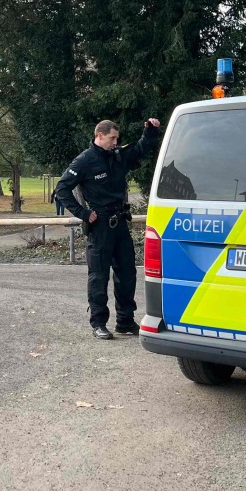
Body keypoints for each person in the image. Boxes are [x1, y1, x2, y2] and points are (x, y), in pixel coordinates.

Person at [55, 118, 162, 340]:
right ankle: (99, 323)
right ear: (100, 136)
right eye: (112, 138)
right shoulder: (84, 161)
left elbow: (140, 149)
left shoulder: (118, 156)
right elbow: (62, 189)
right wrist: (83, 213)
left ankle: (124, 321)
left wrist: (150, 132)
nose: (116, 142)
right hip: (100, 226)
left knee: (127, 274)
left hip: (120, 223)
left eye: (117, 138)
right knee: (99, 276)